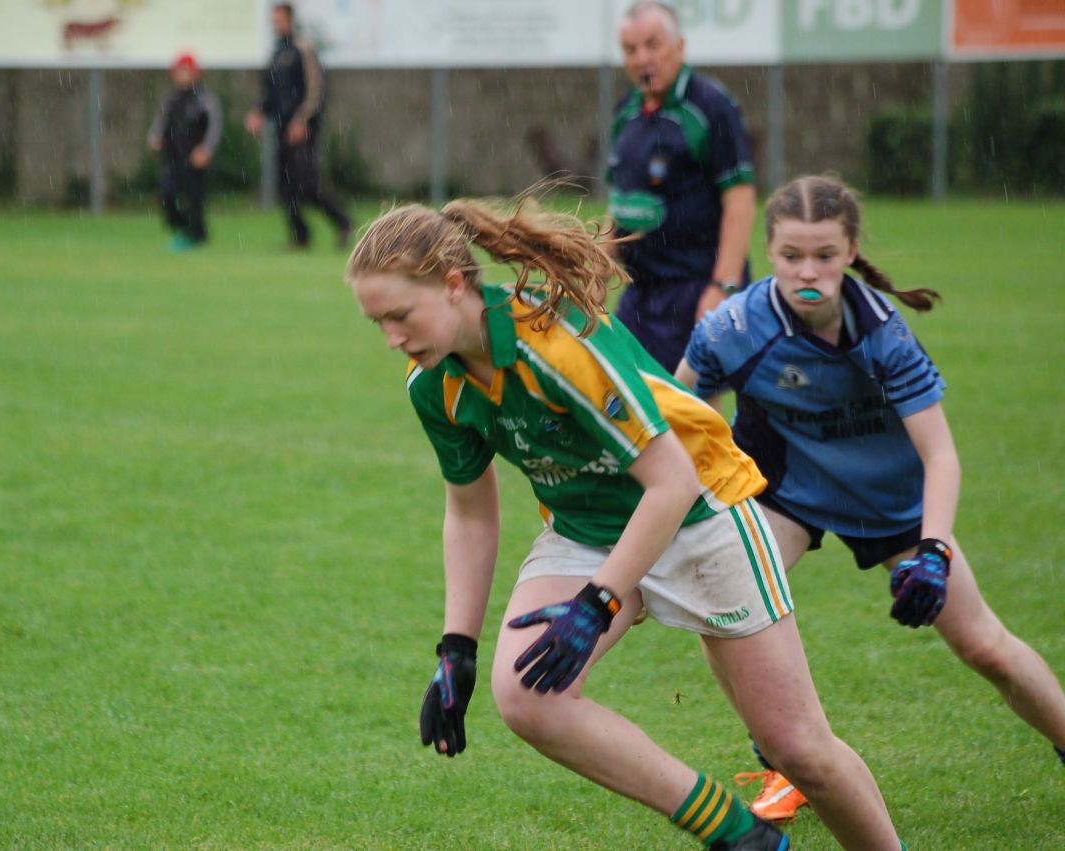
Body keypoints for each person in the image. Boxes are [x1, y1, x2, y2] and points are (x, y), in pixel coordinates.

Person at [346, 196, 907, 850]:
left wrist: (597, 601)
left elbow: (672, 481)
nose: (392, 339)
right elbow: (470, 511)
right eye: (377, 323)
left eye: (399, 316)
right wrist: (456, 647)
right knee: (526, 693)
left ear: (450, 285)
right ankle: (737, 834)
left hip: (701, 513)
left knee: (799, 748)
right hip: (589, 531)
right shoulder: (432, 384)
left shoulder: (553, 345)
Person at [674, 174, 1065, 825]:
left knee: (985, 647)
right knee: (725, 596)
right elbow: (680, 417)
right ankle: (785, 757)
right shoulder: (733, 326)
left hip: (892, 504)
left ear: (851, 250)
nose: (809, 270)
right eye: (792, 255)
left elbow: (940, 453)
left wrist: (934, 552)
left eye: (825, 255)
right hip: (787, 493)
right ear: (769, 252)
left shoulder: (884, 334)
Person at [607, 1, 756, 373]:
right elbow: (620, 201)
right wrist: (595, 266)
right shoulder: (625, 111)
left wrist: (723, 287)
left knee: (692, 411)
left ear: (679, 46)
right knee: (624, 397)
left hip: (693, 287)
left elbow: (739, 198)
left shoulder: (710, 106)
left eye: (652, 46)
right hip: (640, 291)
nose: (642, 59)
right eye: (631, 49)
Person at [245, 2, 352, 250]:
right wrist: (259, 112)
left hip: (302, 130)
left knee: (307, 184)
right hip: (282, 130)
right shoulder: (276, 53)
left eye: (280, 20)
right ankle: (300, 237)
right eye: (274, 21)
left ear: (291, 20)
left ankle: (344, 222)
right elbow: (271, 93)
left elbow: (316, 89)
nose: (276, 25)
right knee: (287, 187)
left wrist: (303, 120)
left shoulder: (303, 49)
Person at [147, 52, 222, 251]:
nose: (182, 75)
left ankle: (195, 235)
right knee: (167, 196)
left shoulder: (204, 99)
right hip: (173, 157)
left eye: (186, 71)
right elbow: (161, 123)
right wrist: (155, 139)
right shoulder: (171, 100)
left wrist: (206, 150)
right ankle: (185, 230)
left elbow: (214, 126)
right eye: (179, 71)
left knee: (194, 200)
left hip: (195, 159)